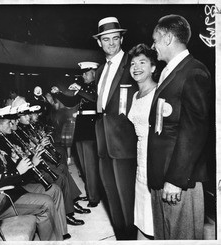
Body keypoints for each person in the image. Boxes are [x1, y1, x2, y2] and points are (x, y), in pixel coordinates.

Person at [148, 14, 212, 239]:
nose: (152, 45)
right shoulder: (169, 70)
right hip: (161, 176)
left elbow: (194, 132)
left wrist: (175, 180)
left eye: (155, 40)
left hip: (178, 181)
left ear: (167, 39)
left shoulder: (194, 72)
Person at [0, 102, 63, 241]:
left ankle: (60, 235)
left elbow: (5, 168)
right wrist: (17, 171)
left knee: (54, 190)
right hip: (2, 200)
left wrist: (17, 161)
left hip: (13, 190)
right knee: (46, 203)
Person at [0, 105, 70, 240]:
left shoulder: (7, 138)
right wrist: (26, 163)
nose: (13, 124)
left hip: (20, 182)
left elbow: (13, 166)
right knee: (50, 194)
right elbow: (2, 176)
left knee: (55, 189)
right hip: (14, 189)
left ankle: (61, 232)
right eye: (10, 122)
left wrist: (26, 156)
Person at [93, 16, 138, 240]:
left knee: (127, 199)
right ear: (99, 43)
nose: (111, 43)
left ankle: (130, 238)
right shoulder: (100, 70)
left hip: (124, 144)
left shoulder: (132, 64)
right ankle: (121, 237)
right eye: (106, 39)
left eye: (115, 38)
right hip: (103, 144)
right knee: (111, 196)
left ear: (121, 39)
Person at [15, 103, 90, 226]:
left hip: (34, 163)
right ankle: (67, 213)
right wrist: (34, 150)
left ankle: (72, 201)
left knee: (61, 167)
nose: (29, 117)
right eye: (25, 115)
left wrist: (39, 145)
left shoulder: (24, 129)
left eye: (29, 114)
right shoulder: (18, 132)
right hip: (29, 171)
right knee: (59, 176)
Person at [51, 61, 101, 208]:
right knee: (84, 165)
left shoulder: (97, 87)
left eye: (86, 73)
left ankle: (94, 197)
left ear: (94, 73)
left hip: (91, 130)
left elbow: (94, 99)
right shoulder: (83, 88)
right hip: (81, 129)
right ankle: (91, 193)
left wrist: (79, 89)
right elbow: (71, 101)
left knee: (91, 166)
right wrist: (58, 93)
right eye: (83, 73)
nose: (83, 76)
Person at [127, 43, 158, 239]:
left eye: (142, 62)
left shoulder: (159, 92)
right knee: (142, 217)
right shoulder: (135, 95)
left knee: (153, 218)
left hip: (154, 157)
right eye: (133, 63)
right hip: (140, 158)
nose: (136, 67)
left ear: (153, 67)